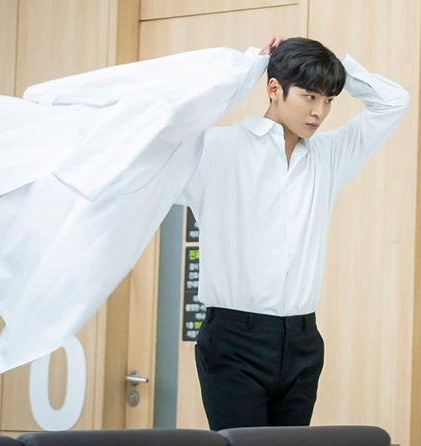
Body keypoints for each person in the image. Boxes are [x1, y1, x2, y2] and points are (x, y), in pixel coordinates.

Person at [174, 36, 410, 430]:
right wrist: (251, 67)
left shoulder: (328, 156)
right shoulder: (216, 149)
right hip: (234, 341)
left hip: (303, 341)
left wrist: (334, 66)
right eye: (309, 96)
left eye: (329, 100)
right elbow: (164, 129)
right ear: (274, 89)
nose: (320, 111)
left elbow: (394, 102)